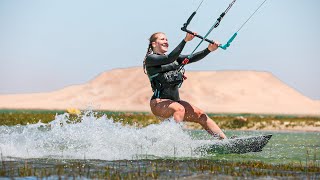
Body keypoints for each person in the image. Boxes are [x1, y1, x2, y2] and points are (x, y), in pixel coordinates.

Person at [143, 32, 228, 139]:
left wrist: (209, 50)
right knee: (179, 109)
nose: (166, 41)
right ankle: (175, 141)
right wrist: (185, 40)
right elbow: (169, 58)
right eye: (162, 39)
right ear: (154, 44)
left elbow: (191, 58)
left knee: (201, 115)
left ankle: (224, 141)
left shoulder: (174, 59)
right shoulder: (151, 59)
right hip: (159, 103)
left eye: (167, 39)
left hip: (175, 101)